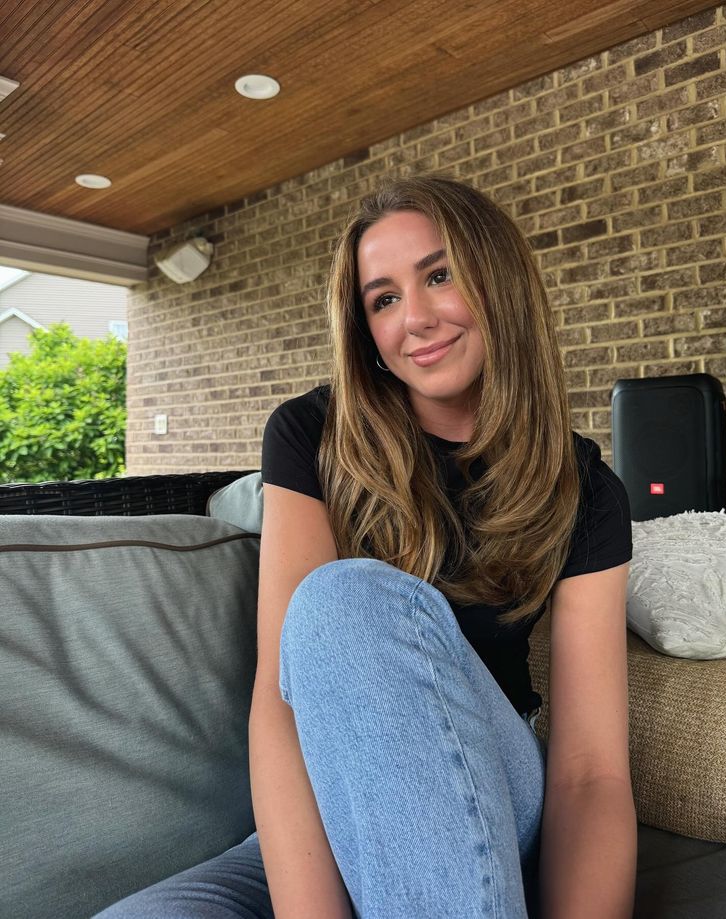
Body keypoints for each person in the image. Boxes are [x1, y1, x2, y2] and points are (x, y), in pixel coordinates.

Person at [94, 174, 637, 919]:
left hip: (486, 796)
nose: (414, 318)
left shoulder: (586, 487)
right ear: (367, 332)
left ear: (499, 277)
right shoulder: (310, 435)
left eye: (439, 275)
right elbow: (279, 707)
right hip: (324, 812)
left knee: (346, 599)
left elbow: (590, 772)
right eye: (382, 299)